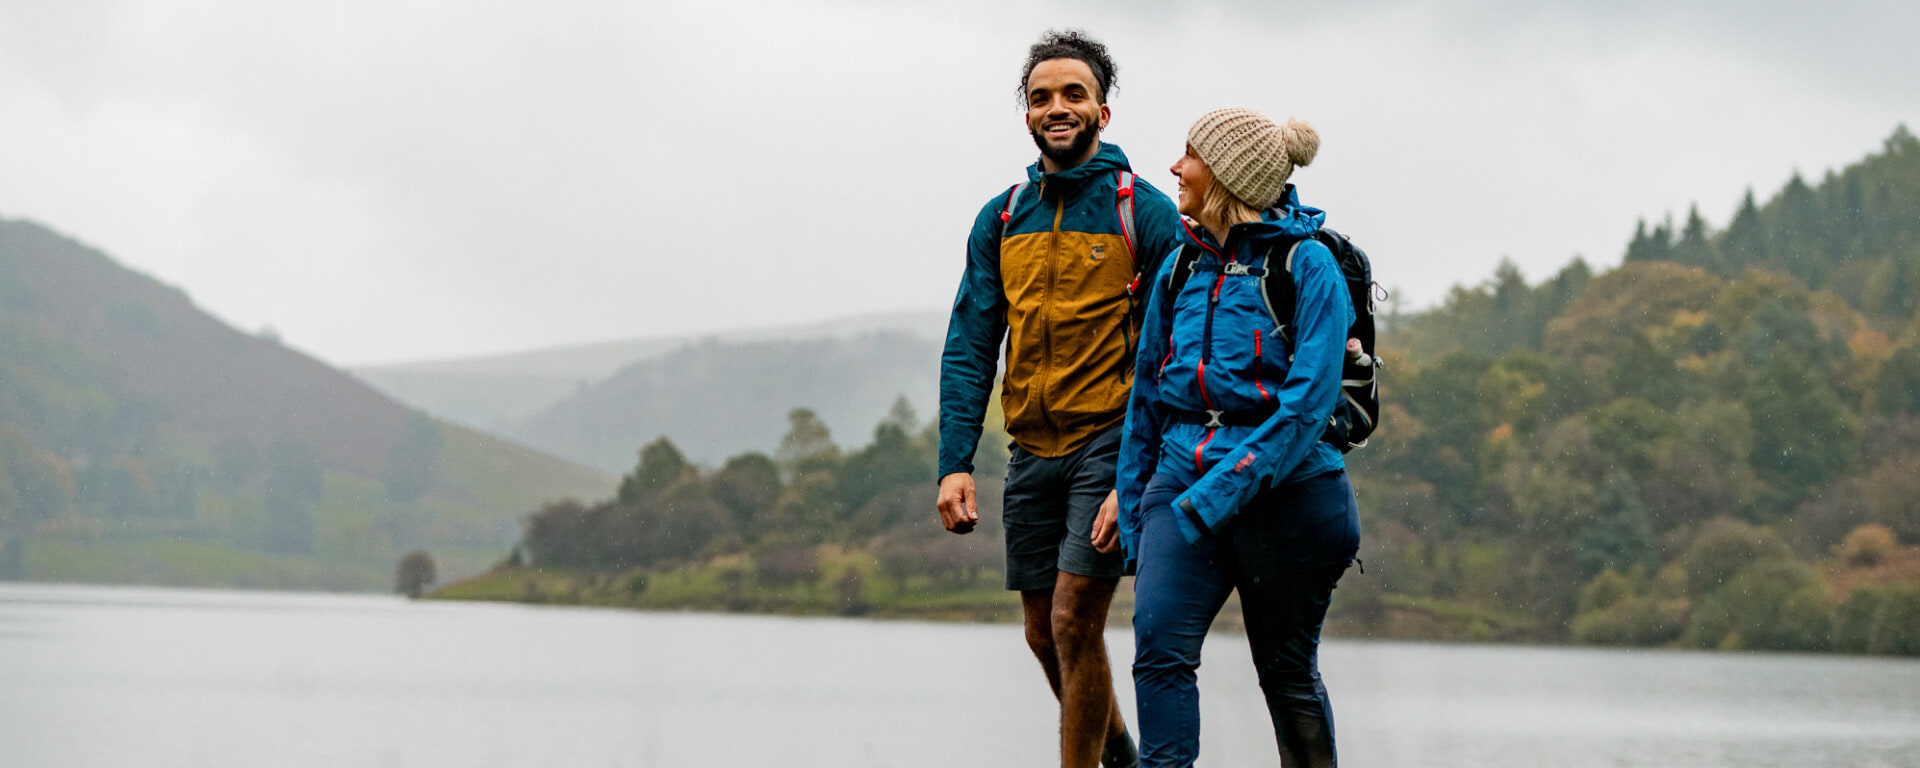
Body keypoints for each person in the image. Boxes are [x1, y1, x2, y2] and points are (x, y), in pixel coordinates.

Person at [936, 29, 1183, 768]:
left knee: (1077, 621)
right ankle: (1125, 762)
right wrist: (955, 462)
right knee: (1043, 634)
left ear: (1103, 111)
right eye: (1041, 97)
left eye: (1074, 94)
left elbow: (1174, 351)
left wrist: (1137, 473)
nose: (1057, 107)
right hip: (1029, 452)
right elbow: (971, 342)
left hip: (1110, 441)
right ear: (1027, 116)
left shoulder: (1147, 213)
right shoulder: (1001, 217)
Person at [1104, 108, 1361, 767]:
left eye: (1188, 155)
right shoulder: (1179, 269)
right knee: (1158, 651)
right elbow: (1148, 398)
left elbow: (1307, 409)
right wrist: (1136, 508)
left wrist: (1224, 490)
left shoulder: (1311, 269)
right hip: (1180, 485)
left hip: (1291, 496)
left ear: (1225, 176)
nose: (1174, 168)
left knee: (1286, 673)